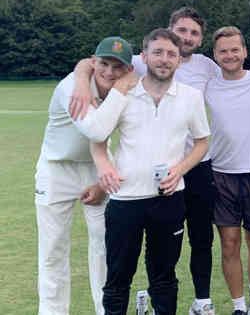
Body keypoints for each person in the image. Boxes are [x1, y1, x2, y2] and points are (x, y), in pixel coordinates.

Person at [91, 28, 210, 315]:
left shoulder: (191, 97)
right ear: (144, 57)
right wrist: (104, 165)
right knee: (118, 279)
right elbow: (98, 136)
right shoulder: (123, 93)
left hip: (168, 199)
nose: (164, 59)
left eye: (171, 54)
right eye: (157, 52)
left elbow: (202, 142)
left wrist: (179, 170)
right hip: (124, 200)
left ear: (179, 61)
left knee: (164, 278)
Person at [34, 36, 137, 315]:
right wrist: (85, 77)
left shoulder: (127, 80)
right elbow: (95, 130)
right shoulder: (72, 87)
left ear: (128, 69)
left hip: (97, 168)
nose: (109, 72)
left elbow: (161, 60)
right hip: (56, 169)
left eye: (118, 67)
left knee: (105, 244)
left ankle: (107, 310)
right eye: (104, 64)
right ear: (93, 62)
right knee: (53, 248)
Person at [205, 26, 250, 315]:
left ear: (244, 51)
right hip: (221, 174)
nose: (229, 55)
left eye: (234, 49)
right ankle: (239, 307)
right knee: (229, 244)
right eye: (223, 51)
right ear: (215, 55)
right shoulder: (208, 85)